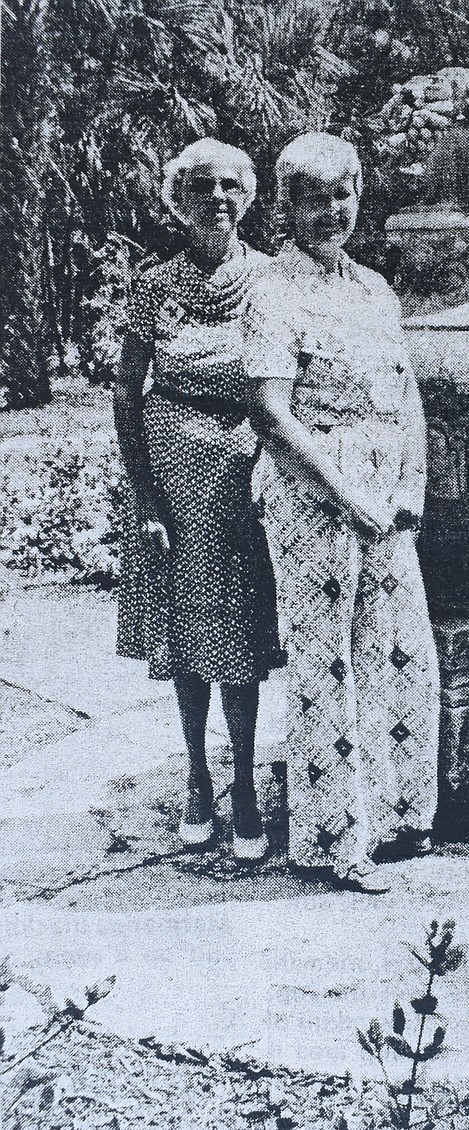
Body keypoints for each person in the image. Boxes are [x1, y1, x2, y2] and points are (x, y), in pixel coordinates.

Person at [242, 132, 439, 894]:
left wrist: (408, 494)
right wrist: (346, 495)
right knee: (328, 662)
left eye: (342, 193)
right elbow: (270, 411)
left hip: (386, 499)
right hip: (311, 494)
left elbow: (407, 393)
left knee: (397, 650)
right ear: (285, 207)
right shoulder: (273, 291)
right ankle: (335, 841)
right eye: (312, 196)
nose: (330, 210)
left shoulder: (376, 289)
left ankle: (396, 817)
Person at [114, 138, 280, 861]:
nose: (218, 198)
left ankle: (244, 782)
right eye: (201, 188)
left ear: (248, 196)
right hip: (174, 473)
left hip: (249, 468)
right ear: (178, 202)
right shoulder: (153, 286)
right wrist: (146, 498)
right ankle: (196, 776)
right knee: (186, 632)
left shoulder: (275, 279)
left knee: (240, 630)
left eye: (231, 186)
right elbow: (125, 392)